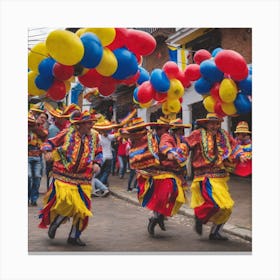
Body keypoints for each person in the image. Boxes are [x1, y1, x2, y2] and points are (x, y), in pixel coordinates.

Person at [39, 109, 100, 246]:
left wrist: (97, 162)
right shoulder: (67, 133)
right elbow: (50, 142)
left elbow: (98, 152)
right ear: (80, 124)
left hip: (84, 177)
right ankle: (56, 222)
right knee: (69, 204)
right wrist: (47, 151)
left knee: (83, 208)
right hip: (64, 175)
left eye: (92, 123)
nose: (91, 125)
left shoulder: (95, 136)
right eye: (88, 123)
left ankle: (74, 236)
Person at [183, 113, 248, 241]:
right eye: (212, 123)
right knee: (215, 203)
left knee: (227, 207)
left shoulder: (223, 135)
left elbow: (234, 146)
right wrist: (176, 153)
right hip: (204, 176)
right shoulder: (198, 134)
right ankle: (199, 216)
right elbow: (186, 144)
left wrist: (240, 155)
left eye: (217, 123)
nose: (215, 126)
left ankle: (215, 232)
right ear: (206, 124)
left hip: (221, 176)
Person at [28, 111, 48, 206]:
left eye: (45, 118)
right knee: (28, 177)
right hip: (27, 155)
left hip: (38, 156)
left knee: (37, 177)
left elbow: (43, 135)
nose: (43, 119)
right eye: (41, 117)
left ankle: (34, 199)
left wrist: (34, 127)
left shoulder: (43, 130)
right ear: (37, 117)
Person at [93, 119, 120, 187]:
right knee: (106, 172)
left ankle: (100, 186)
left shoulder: (98, 137)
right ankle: (101, 185)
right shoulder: (109, 137)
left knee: (101, 172)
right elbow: (117, 135)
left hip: (102, 157)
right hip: (109, 157)